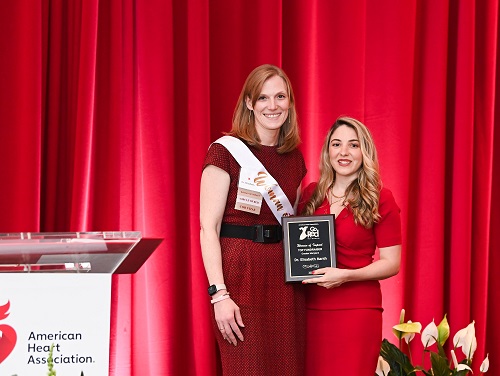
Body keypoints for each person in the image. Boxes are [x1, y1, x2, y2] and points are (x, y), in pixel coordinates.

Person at [199, 64, 307, 375]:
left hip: (285, 279)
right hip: (239, 274)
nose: (272, 106)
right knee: (246, 367)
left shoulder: (294, 158)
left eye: (280, 97)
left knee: (289, 367)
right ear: (249, 103)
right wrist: (219, 293)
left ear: (289, 103)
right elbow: (209, 228)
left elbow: (293, 224)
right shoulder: (224, 153)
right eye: (262, 98)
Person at [299, 116, 402, 375]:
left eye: (353, 145)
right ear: (327, 151)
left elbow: (392, 263)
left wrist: (346, 276)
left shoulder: (380, 197)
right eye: (336, 144)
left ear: (364, 152)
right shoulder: (310, 194)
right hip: (309, 310)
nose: (343, 152)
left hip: (356, 311)